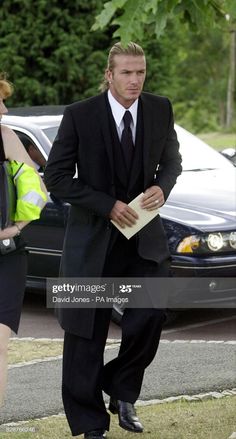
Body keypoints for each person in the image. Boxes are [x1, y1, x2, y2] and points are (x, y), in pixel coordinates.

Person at [44, 42, 182, 439]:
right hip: (92, 242)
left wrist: (162, 186)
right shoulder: (79, 115)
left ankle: (120, 388)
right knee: (85, 334)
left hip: (143, 240)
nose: (135, 80)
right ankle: (90, 425)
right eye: (126, 73)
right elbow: (56, 178)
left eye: (140, 72)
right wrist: (106, 205)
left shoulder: (160, 108)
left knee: (151, 315)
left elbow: (172, 161)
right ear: (109, 75)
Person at [0, 73, 47, 406]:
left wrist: (16, 227)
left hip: (7, 256)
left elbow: (38, 190)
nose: (3, 108)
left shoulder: (5, 136)